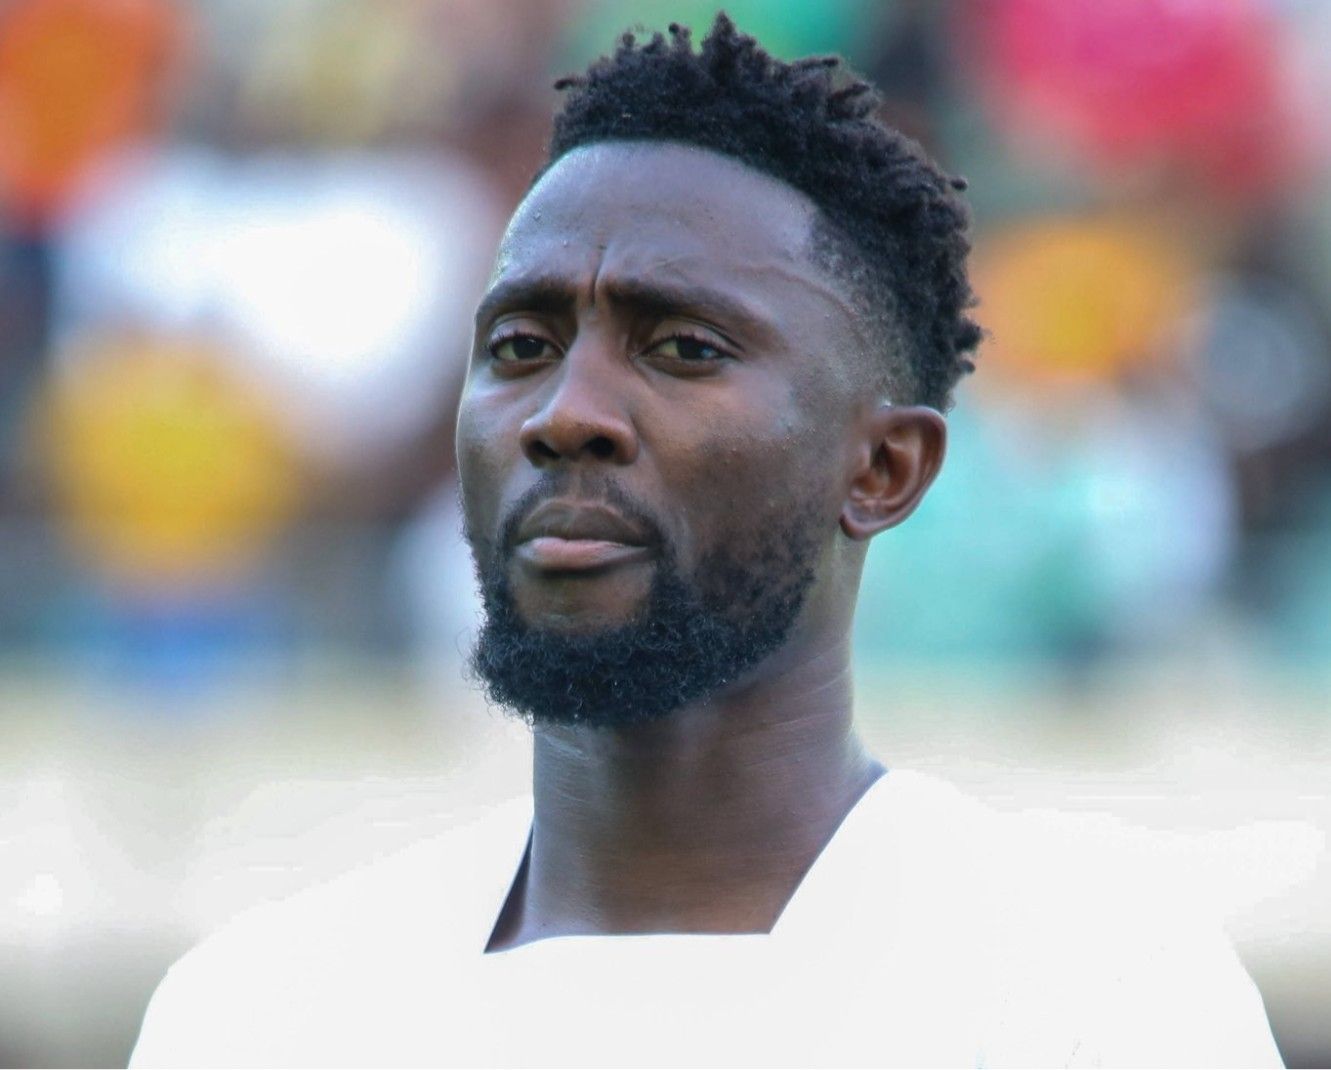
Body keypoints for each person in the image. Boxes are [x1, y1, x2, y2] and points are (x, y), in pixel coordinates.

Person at [130, 15, 1281, 1068]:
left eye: (682, 347)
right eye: (520, 344)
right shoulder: (259, 1013)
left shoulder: (1095, 1001)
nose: (563, 413)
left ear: (882, 469)